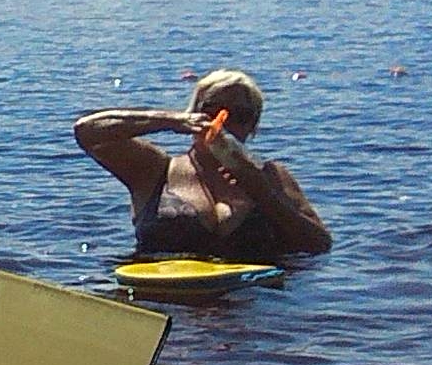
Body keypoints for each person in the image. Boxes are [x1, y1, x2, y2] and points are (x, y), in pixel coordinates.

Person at [72, 68, 333, 261]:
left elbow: (318, 245)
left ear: (253, 127)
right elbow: (87, 131)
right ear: (194, 112)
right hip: (167, 304)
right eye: (213, 110)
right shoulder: (155, 170)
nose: (224, 123)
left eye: (239, 116)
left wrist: (261, 191)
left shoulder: (271, 176)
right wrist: (171, 121)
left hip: (250, 314)